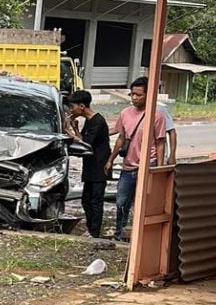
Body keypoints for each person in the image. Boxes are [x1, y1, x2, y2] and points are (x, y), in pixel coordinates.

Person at [105, 76, 167, 242]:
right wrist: (111, 159)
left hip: (148, 165)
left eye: (138, 94)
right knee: (121, 202)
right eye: (132, 94)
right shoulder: (125, 113)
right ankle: (120, 233)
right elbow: (121, 138)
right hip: (128, 166)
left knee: (145, 203)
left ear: (149, 95)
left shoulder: (157, 116)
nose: (134, 98)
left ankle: (141, 237)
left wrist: (158, 169)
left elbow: (161, 143)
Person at [65, 90, 111, 238]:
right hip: (90, 165)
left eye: (73, 107)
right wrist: (75, 128)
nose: (72, 110)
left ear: (82, 106)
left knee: (96, 201)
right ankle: (91, 229)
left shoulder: (98, 121)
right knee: (86, 200)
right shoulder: (90, 121)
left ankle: (95, 232)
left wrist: (67, 130)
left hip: (99, 166)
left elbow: (85, 144)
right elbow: (83, 138)